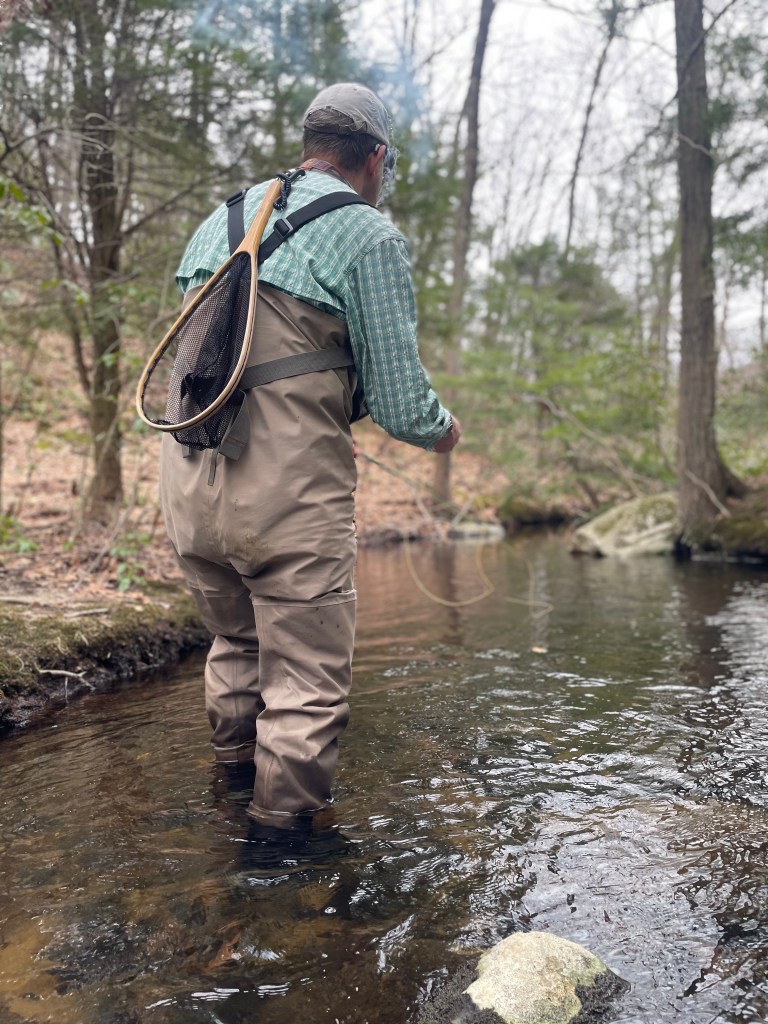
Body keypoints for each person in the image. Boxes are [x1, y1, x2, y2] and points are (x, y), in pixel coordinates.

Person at [159, 82, 461, 825]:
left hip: (190, 482)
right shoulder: (368, 236)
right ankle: (281, 863)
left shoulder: (222, 217)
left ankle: (231, 797)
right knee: (304, 683)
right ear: (376, 159)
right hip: (286, 500)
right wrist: (445, 430)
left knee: (236, 645)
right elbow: (399, 403)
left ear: (311, 143)